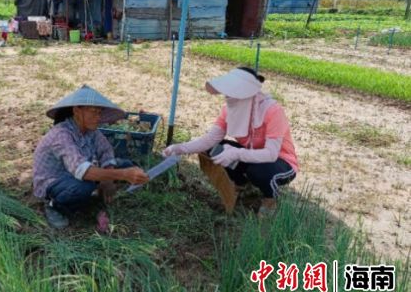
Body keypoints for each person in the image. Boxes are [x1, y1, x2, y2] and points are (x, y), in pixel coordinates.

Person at [163, 67, 298, 213]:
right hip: (250, 155)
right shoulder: (229, 110)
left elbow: (271, 154)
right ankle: (240, 184)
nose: (227, 97)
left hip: (280, 161)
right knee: (214, 149)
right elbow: (209, 140)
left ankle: (270, 198)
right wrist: (179, 148)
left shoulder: (271, 111)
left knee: (258, 172)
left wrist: (236, 153)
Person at [34, 85, 149, 229]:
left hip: (78, 173)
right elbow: (82, 171)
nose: (98, 117)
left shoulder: (90, 130)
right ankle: (53, 206)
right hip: (55, 181)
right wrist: (123, 175)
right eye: (93, 112)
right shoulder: (61, 135)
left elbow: (105, 151)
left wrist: (109, 178)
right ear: (77, 111)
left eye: (99, 112)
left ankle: (96, 192)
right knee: (84, 185)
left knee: (126, 164)